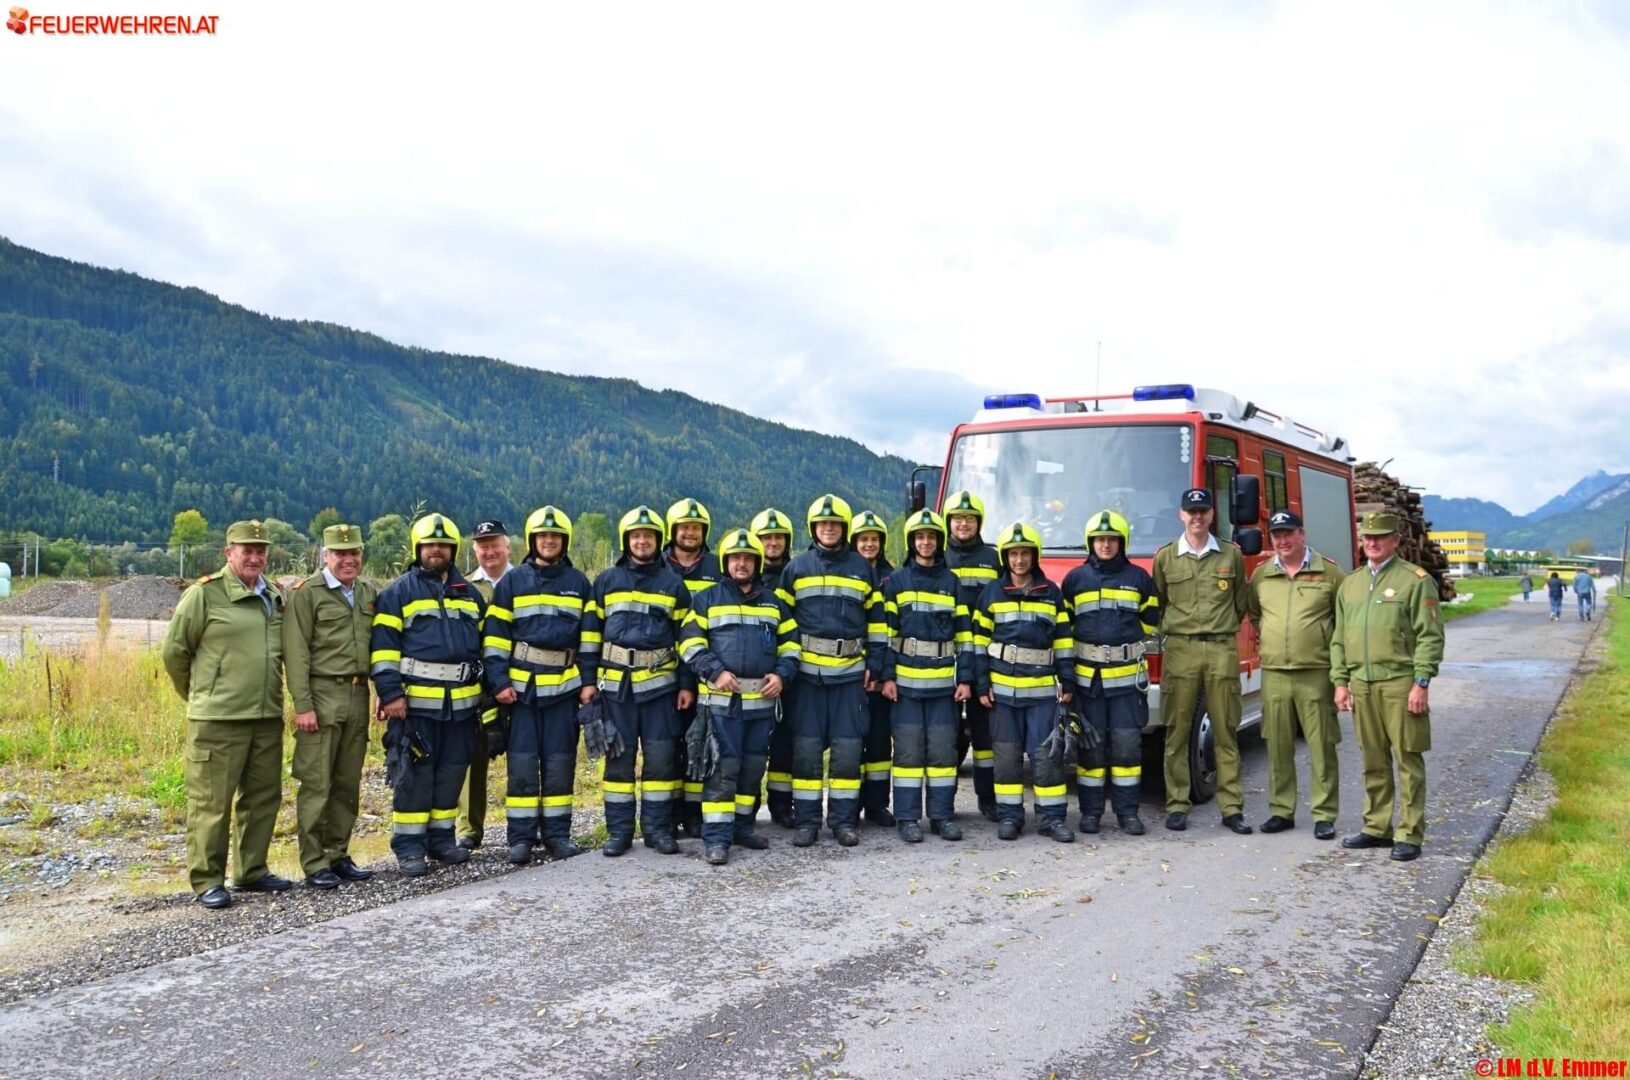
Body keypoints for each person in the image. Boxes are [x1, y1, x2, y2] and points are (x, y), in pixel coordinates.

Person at [161, 520, 290, 910]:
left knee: (263, 797)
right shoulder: (204, 596)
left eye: (260, 550)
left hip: (265, 715)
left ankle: (252, 871)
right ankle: (207, 880)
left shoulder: (275, 595)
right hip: (218, 719)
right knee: (211, 802)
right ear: (228, 552)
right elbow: (175, 653)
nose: (254, 557)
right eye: (246, 550)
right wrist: (202, 695)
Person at [370, 513, 487, 877]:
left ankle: (441, 840)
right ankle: (409, 847)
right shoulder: (398, 592)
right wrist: (390, 694)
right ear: (418, 548)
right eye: (429, 545)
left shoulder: (470, 595)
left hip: (462, 707)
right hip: (415, 707)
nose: (436, 550)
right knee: (415, 776)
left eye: (443, 545)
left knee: (451, 774)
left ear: (453, 549)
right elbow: (383, 649)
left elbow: (485, 648)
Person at [483, 506, 597, 864]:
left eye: (555, 537)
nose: (549, 541)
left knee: (560, 764)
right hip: (522, 693)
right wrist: (499, 681)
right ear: (533, 541)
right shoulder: (512, 582)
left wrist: (588, 683)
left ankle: (558, 835)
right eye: (543, 536)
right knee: (521, 766)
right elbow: (496, 638)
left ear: (564, 542)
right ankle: (520, 838)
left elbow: (590, 640)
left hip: (564, 690)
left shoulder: (579, 584)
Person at [679, 528, 799, 864]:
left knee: (752, 768)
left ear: (757, 562)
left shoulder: (773, 604)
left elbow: (791, 647)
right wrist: (714, 670)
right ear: (726, 563)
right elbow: (689, 643)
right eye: (735, 559)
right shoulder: (706, 599)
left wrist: (781, 674)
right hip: (721, 705)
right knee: (722, 769)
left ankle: (743, 828)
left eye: (748, 558)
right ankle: (716, 838)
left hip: (761, 704)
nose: (741, 564)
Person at [1331, 511, 1444, 863]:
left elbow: (1430, 636)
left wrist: (1421, 682)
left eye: (1379, 537)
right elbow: (1339, 638)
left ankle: (1409, 832)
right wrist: (1341, 682)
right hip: (1362, 684)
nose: (1372, 543)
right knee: (1373, 758)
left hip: (1399, 683)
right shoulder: (1350, 584)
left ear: (1395, 540)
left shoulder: (1415, 580)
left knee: (1407, 757)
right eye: (1366, 538)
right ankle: (1377, 827)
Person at [776, 494, 887, 847]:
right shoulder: (796, 568)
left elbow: (878, 624)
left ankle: (843, 822)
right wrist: (787, 669)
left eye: (835, 525)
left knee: (847, 753)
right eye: (823, 525)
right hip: (807, 678)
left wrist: (876, 664)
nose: (829, 529)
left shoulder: (862, 568)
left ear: (844, 529)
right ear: (814, 529)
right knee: (806, 753)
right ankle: (807, 822)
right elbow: (782, 623)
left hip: (850, 677)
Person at [588, 506, 694, 857]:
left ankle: (657, 830)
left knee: (661, 761)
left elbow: (686, 639)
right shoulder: (606, 581)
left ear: (658, 540)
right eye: (636, 535)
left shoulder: (673, 584)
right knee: (618, 760)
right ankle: (619, 832)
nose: (642, 541)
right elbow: (590, 637)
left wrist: (685, 685)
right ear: (626, 540)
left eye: (648, 535)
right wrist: (588, 682)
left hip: (660, 689)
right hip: (615, 690)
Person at [282, 523, 378, 890]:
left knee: (346, 783)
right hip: (321, 694)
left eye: (354, 553)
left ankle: (337, 853)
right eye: (340, 554)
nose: (348, 560)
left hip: (357, 694)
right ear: (326, 556)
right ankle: (313, 860)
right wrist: (302, 704)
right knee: (316, 783)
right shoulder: (307, 594)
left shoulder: (368, 592)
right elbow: (296, 652)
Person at [1152, 488, 1251, 834]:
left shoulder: (1230, 556)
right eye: (1191, 511)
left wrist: (1219, 632)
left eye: (1203, 511)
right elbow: (1160, 604)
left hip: (1221, 648)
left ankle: (1231, 806)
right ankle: (1177, 804)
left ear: (1211, 514)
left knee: (1225, 730)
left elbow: (1241, 603)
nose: (1197, 517)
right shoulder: (1166, 558)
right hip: (1180, 650)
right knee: (1177, 730)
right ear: (1181, 515)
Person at [1245, 510, 1345, 840]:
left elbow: (1342, 621)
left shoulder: (1329, 572)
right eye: (1276, 535)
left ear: (1302, 533)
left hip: (1316, 672)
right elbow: (1256, 615)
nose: (1283, 540)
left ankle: (1324, 813)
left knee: (1321, 744)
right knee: (1277, 745)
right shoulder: (1262, 576)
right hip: (1274, 673)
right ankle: (1281, 810)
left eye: (1289, 533)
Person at [973, 522, 1075, 843]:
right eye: (1014, 554)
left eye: (1025, 554)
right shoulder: (990, 594)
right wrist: (980, 682)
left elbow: (1063, 642)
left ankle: (1051, 818)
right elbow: (977, 644)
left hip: (1042, 692)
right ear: (1005, 557)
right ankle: (1009, 816)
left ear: (1035, 556)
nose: (1019, 560)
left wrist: (1068, 678)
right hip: (1002, 694)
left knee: (1046, 756)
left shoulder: (1051, 594)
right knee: (1006, 756)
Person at [1061, 510, 1159, 837]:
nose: (1106, 545)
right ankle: (1090, 814)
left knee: (1127, 747)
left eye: (1112, 540)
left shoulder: (1140, 579)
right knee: (1091, 748)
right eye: (1100, 540)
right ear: (1091, 543)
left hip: (1127, 683)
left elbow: (1150, 623)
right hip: (1089, 683)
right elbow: (1066, 630)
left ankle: (1127, 813)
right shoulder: (1075, 580)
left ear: (1122, 542)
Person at [879, 509, 972, 842]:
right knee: (907, 755)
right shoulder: (896, 582)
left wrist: (965, 679)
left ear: (939, 541)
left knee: (943, 755)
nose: (926, 542)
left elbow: (965, 638)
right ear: (911, 542)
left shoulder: (952, 583)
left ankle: (941, 817)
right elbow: (886, 637)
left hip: (943, 688)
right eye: (920, 537)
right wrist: (887, 677)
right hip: (904, 688)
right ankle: (907, 818)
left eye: (931, 537)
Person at [942, 490, 1001, 820]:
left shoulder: (994, 559)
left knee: (984, 735)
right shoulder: (938, 555)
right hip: (945, 656)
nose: (963, 524)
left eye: (969, 519)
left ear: (978, 523)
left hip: (983, 655)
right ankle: (945, 800)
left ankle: (988, 799)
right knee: (947, 734)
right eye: (957, 518)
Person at [665, 498, 720, 839]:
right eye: (684, 527)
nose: (690, 533)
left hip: (704, 673)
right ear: (673, 532)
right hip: (661, 674)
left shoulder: (717, 568)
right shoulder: (657, 567)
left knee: (700, 744)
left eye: (696, 528)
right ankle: (669, 815)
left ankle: (696, 815)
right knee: (668, 747)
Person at [457, 518, 512, 851]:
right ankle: (469, 829)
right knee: (471, 756)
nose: (489, 551)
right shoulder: (464, 587)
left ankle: (527, 825)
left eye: (495, 544)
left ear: (508, 547)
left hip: (518, 682)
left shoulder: (526, 581)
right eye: (483, 546)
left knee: (524, 754)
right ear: (474, 550)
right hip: (478, 685)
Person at [753, 507, 799, 828]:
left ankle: (781, 806)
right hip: (750, 676)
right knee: (751, 747)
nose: (772, 543)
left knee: (784, 745)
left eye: (778, 537)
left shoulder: (796, 575)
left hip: (785, 676)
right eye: (766, 538)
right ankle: (748, 807)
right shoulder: (741, 577)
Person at [851, 510, 896, 826]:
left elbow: (893, 631)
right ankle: (849, 805)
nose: (869, 544)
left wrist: (882, 673)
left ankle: (877, 805)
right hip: (851, 672)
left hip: (879, 673)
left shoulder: (892, 579)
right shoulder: (846, 575)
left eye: (874, 539)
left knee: (880, 741)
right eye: (863, 539)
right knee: (851, 742)